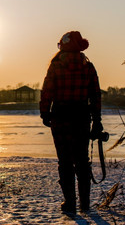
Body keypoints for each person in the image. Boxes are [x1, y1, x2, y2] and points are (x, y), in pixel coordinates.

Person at [39, 31, 103, 215]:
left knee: (65, 162)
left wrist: (45, 113)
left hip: (60, 116)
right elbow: (96, 95)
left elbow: (47, 91)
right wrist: (96, 120)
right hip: (82, 117)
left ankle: (70, 203)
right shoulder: (88, 67)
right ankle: (85, 204)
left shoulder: (56, 66)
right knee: (82, 161)